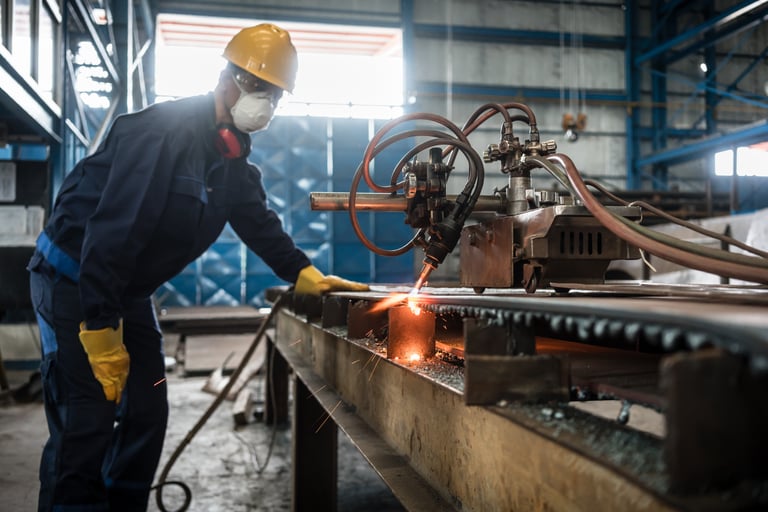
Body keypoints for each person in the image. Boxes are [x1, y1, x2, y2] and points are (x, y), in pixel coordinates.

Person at [28, 23, 367, 512]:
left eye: (274, 94)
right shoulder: (159, 134)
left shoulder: (231, 161)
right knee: (87, 422)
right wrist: (100, 327)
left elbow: (259, 224)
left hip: (125, 290)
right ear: (226, 78)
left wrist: (303, 274)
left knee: (147, 408)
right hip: (73, 281)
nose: (265, 103)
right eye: (257, 87)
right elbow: (112, 234)